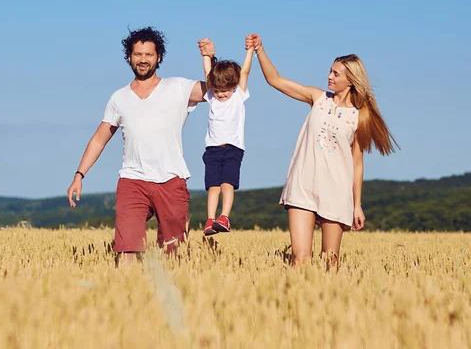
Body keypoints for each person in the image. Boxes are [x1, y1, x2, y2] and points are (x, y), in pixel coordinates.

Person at [246, 34, 399, 267]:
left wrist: (357, 204)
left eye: (335, 74)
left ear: (351, 81)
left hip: (336, 191)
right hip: (303, 185)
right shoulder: (317, 98)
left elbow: (357, 164)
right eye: (330, 71)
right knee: (300, 259)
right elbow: (275, 80)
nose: (329, 76)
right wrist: (260, 50)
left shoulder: (359, 118)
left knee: (330, 262)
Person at [67, 27, 214, 265]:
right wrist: (79, 174)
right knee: (126, 251)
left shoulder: (178, 87)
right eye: (138, 54)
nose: (143, 59)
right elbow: (99, 138)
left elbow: (215, 88)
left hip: (171, 179)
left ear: (159, 58)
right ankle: (127, 296)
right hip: (132, 181)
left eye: (148, 55)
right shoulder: (119, 98)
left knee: (174, 255)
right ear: (129, 57)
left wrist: (208, 58)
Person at [197, 38, 254, 236]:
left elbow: (245, 71)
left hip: (233, 148)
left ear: (234, 86)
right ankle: (210, 220)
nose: (221, 95)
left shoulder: (239, 95)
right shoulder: (212, 95)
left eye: (225, 91)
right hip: (212, 149)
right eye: (218, 91)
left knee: (227, 184)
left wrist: (250, 50)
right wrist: (205, 54)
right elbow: (207, 72)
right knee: (213, 187)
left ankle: (225, 217)